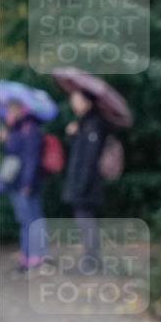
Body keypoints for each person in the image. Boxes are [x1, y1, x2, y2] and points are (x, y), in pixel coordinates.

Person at [62, 89, 109, 268]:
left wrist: (81, 186)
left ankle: (91, 260)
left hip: (87, 184)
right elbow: (78, 153)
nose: (74, 104)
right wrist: (74, 135)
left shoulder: (94, 124)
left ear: (87, 102)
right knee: (84, 221)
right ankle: (90, 258)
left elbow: (89, 159)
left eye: (77, 99)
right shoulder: (84, 124)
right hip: (81, 182)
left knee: (86, 221)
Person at [0, 100, 48, 270]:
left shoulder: (29, 128)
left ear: (21, 108)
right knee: (32, 218)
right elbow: (14, 154)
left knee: (28, 219)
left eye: (11, 108)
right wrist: (5, 140)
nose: (8, 112)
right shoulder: (18, 128)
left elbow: (31, 158)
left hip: (23, 183)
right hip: (20, 182)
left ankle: (32, 256)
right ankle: (33, 254)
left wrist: (27, 183)